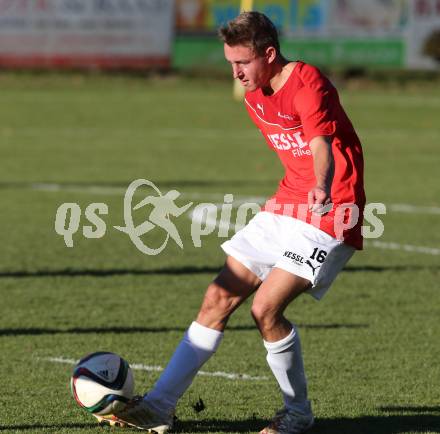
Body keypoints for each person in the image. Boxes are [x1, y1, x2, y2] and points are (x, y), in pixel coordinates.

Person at [95, 11, 365, 434]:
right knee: (217, 299)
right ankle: (159, 407)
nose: (236, 72)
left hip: (331, 209)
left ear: (269, 54)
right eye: (230, 63)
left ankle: (297, 415)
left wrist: (322, 184)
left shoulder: (307, 83)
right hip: (286, 206)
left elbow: (320, 143)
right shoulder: (256, 94)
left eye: (243, 62)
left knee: (265, 309)